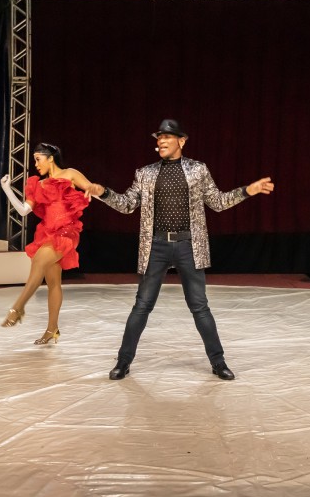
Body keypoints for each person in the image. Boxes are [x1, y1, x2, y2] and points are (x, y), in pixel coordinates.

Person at [85, 119, 274, 380]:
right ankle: (123, 361)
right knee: (142, 305)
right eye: (158, 138)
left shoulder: (198, 170)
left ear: (181, 141)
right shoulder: (146, 173)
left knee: (199, 306)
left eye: (167, 137)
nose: (161, 141)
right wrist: (103, 192)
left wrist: (247, 191)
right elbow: (128, 204)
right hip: (156, 246)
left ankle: (218, 363)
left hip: (188, 245)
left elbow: (217, 202)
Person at [0, 142, 96, 345]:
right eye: (34, 160)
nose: (35, 164)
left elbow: (90, 188)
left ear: (50, 158)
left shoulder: (69, 174)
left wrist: (90, 190)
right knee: (53, 282)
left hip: (67, 232)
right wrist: (7, 189)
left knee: (38, 264)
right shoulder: (39, 185)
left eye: (38, 159)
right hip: (48, 233)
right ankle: (52, 330)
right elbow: (24, 210)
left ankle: (17, 308)